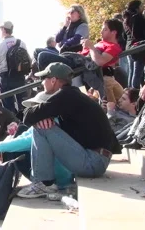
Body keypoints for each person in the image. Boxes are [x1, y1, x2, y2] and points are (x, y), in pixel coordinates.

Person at [18, 63, 117, 198]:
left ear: (53, 80)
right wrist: (42, 118)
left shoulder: (66, 96)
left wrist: (39, 119)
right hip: (95, 159)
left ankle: (43, 183)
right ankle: (48, 182)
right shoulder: (72, 95)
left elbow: (27, 116)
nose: (42, 83)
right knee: (42, 124)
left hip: (93, 162)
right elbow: (30, 114)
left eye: (44, 79)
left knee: (40, 128)